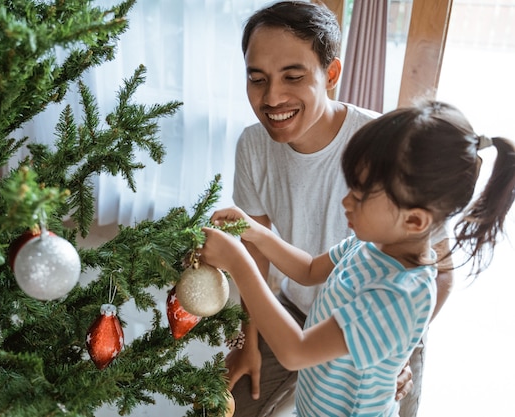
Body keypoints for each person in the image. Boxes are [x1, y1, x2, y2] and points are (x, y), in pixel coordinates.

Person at [202, 100, 515, 416]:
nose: (346, 201)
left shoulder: (399, 295)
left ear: (415, 221)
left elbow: (296, 352)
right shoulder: (372, 246)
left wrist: (238, 262)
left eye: (361, 195)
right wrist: (256, 232)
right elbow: (309, 269)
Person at [224, 2, 452, 416]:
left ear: (330, 75)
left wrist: (393, 349)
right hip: (299, 308)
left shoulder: (383, 150)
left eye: (293, 77)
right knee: (226, 404)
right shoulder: (253, 147)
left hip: (381, 327)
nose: (272, 97)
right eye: (257, 79)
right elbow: (298, 265)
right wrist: (248, 340)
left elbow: (441, 271)